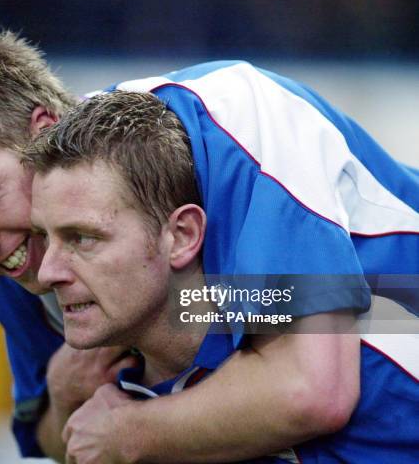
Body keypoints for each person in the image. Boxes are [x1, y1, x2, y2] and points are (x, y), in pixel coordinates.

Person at [0, 23, 419, 462]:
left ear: (41, 129)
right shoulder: (28, 258)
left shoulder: (230, 119)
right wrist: (65, 401)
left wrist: (135, 429)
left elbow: (311, 387)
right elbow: (60, 442)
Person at [27, 89, 419, 463]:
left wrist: (133, 435)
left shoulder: (380, 356)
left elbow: (313, 394)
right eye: (45, 237)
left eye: (83, 238)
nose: (47, 272)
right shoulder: (112, 415)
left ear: (182, 236)